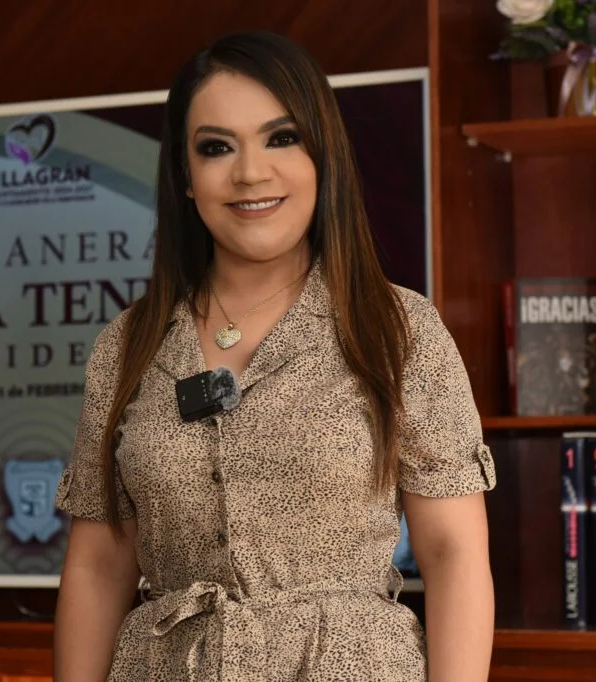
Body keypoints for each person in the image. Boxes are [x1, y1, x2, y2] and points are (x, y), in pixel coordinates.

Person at [53, 30, 497, 681]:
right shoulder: (126, 345)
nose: (250, 173)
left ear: (323, 156)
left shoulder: (397, 329)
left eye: (281, 138)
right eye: (216, 147)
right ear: (184, 175)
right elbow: (97, 567)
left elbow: (455, 554)